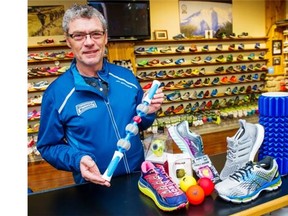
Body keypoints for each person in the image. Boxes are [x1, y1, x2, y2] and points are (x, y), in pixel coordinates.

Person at [37, 4, 164, 187]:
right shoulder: (57, 93)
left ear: (105, 37)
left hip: (139, 180)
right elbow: (48, 146)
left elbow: (140, 123)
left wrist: (149, 111)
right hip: (93, 187)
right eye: (79, 35)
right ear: (68, 41)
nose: (89, 42)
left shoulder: (126, 78)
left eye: (96, 34)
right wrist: (77, 159)